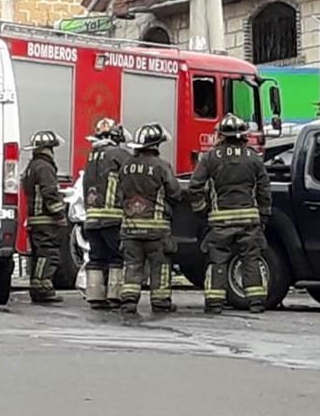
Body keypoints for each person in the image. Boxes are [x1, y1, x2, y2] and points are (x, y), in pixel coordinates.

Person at [188, 114, 272, 315]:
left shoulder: (210, 157)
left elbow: (194, 187)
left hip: (221, 221)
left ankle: (215, 303)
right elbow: (264, 190)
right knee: (251, 259)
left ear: (221, 135)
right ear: (243, 135)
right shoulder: (253, 157)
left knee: (218, 260)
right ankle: (256, 302)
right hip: (249, 221)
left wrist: (201, 210)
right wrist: (264, 215)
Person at [117, 123, 183, 320]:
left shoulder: (126, 166)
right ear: (156, 145)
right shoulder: (162, 166)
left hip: (130, 228)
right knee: (160, 265)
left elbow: (120, 195)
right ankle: (160, 302)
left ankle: (129, 301)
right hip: (157, 231)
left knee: (132, 265)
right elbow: (175, 193)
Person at [82, 118, 131, 312]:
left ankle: (95, 296)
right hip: (113, 217)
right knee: (116, 257)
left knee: (96, 257)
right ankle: (115, 295)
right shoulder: (119, 154)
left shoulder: (92, 156)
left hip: (92, 217)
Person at [21, 131, 67, 304]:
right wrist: (60, 214)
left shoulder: (32, 166)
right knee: (48, 253)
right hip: (46, 220)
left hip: (36, 218)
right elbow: (50, 193)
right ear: (48, 149)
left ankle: (38, 286)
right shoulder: (44, 167)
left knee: (39, 253)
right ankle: (42, 288)